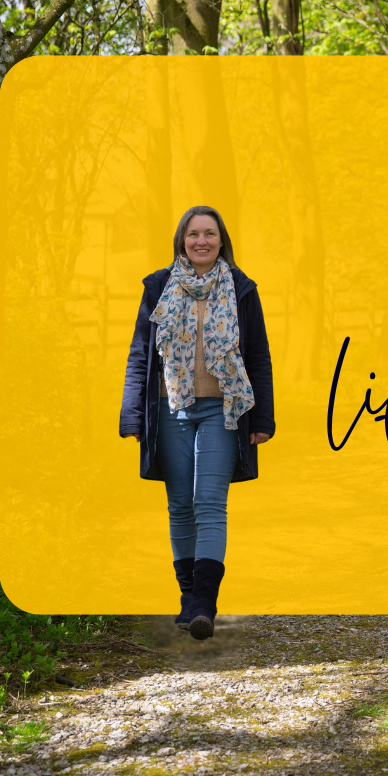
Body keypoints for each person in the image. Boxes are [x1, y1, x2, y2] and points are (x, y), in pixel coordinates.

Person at [120, 206, 274, 640]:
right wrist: (132, 413)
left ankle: (204, 602)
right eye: (193, 234)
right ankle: (189, 600)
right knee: (179, 506)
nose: (201, 241)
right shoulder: (158, 287)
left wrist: (262, 417)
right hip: (172, 410)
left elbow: (258, 356)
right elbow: (140, 356)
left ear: (221, 240)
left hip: (224, 410)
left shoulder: (242, 289)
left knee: (209, 503)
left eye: (209, 234)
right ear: (182, 240)